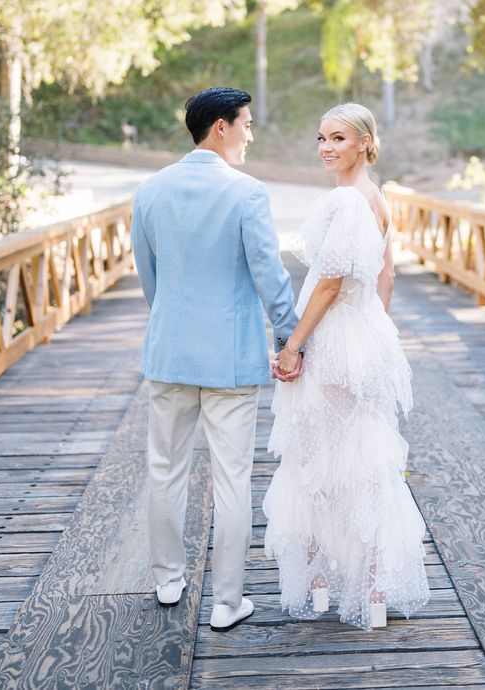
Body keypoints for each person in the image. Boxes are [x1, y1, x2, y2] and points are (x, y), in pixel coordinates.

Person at [131, 87, 301, 633]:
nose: (251, 135)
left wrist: (174, 324)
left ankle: (167, 578)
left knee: (165, 468)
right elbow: (270, 276)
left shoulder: (150, 190)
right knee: (232, 479)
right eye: (246, 125)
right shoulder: (246, 193)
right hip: (230, 358)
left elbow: (149, 277)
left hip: (170, 354)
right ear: (221, 127)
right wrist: (291, 337)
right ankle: (227, 602)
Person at [263, 102, 430, 630]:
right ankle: (374, 593)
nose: (326, 148)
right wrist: (371, 330)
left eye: (338, 138)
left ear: (364, 142)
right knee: (367, 460)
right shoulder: (377, 198)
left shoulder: (345, 200)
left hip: (332, 342)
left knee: (313, 458)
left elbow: (330, 283)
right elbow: (387, 277)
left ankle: (320, 586)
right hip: (366, 337)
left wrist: (293, 346)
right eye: (321, 138)